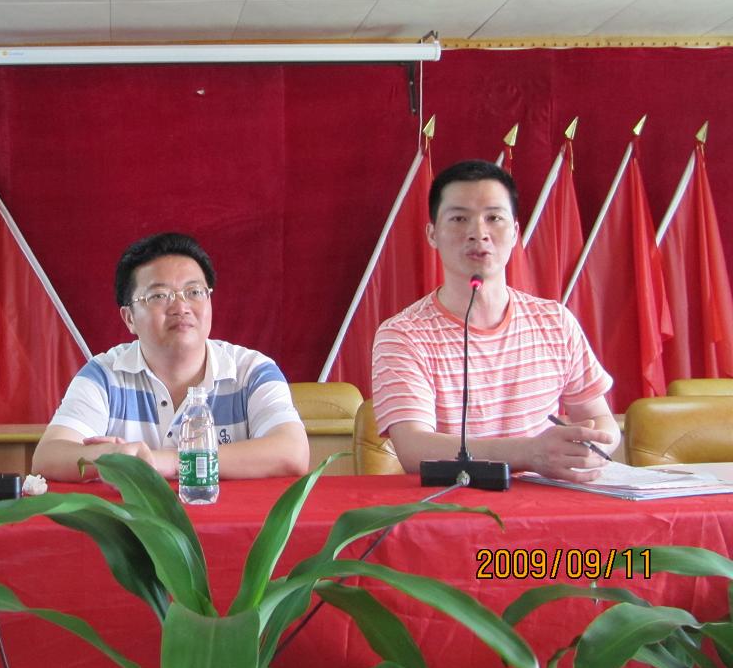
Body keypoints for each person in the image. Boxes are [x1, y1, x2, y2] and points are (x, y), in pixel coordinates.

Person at [371, 159, 620, 483]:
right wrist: (529, 453)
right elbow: (414, 449)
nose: (478, 233)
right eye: (459, 218)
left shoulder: (555, 322)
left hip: (547, 504)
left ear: (515, 231)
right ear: (432, 234)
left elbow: (602, 420)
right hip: (452, 505)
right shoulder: (403, 334)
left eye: (494, 218)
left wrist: (592, 446)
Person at [32, 232, 309, 482]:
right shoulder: (104, 375)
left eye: (194, 292)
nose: (181, 307)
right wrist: (116, 455)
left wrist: (173, 461)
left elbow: (292, 452)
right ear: (129, 318)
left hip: (235, 522)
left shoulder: (252, 371)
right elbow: (48, 457)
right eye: (159, 296)